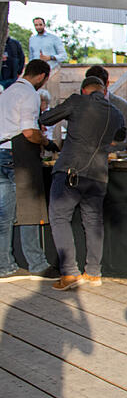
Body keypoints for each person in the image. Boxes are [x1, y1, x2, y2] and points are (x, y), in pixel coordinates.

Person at [39, 76, 125, 290]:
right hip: (99, 174)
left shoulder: (77, 101)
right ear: (103, 91)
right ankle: (94, 273)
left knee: (59, 218)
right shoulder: (115, 111)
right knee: (93, 222)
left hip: (72, 169)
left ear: (84, 90)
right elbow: (121, 136)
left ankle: (69, 273)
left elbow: (47, 118)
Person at [0, 59, 57, 280]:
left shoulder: (7, 92)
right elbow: (28, 132)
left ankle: (5, 266)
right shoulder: (30, 94)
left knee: (4, 215)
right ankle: (37, 264)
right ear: (42, 77)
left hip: (1, 153)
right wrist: (46, 142)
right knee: (29, 212)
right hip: (18, 155)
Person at [84, 65, 127, 151]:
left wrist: (115, 145)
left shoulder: (122, 106)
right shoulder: (82, 106)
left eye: (99, 87)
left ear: (107, 84)